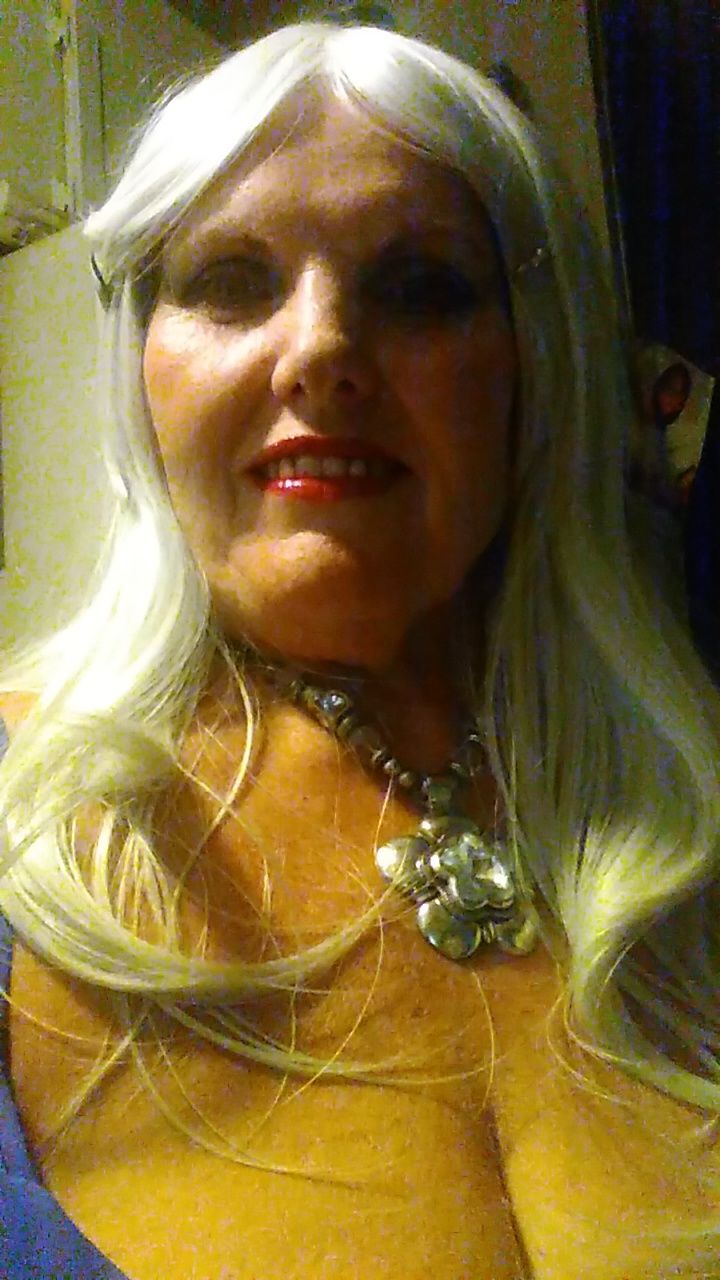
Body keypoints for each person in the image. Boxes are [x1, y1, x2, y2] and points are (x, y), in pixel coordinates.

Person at [0, 21, 719, 1280]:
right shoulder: (21, 816)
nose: (322, 348)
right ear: (142, 372)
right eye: (233, 280)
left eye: (421, 287)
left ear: (531, 365)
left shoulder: (687, 796)